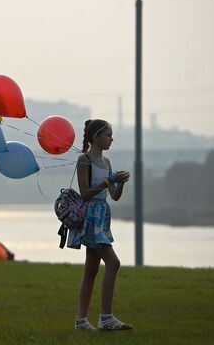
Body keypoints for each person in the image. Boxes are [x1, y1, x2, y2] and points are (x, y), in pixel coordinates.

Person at [68, 119, 132, 330]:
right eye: (108, 135)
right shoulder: (84, 160)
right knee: (113, 263)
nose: (111, 139)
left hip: (103, 216)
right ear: (96, 137)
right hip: (91, 217)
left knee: (91, 270)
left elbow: (113, 196)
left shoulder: (107, 163)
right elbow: (85, 193)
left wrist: (119, 183)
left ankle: (81, 321)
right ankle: (106, 318)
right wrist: (108, 180)